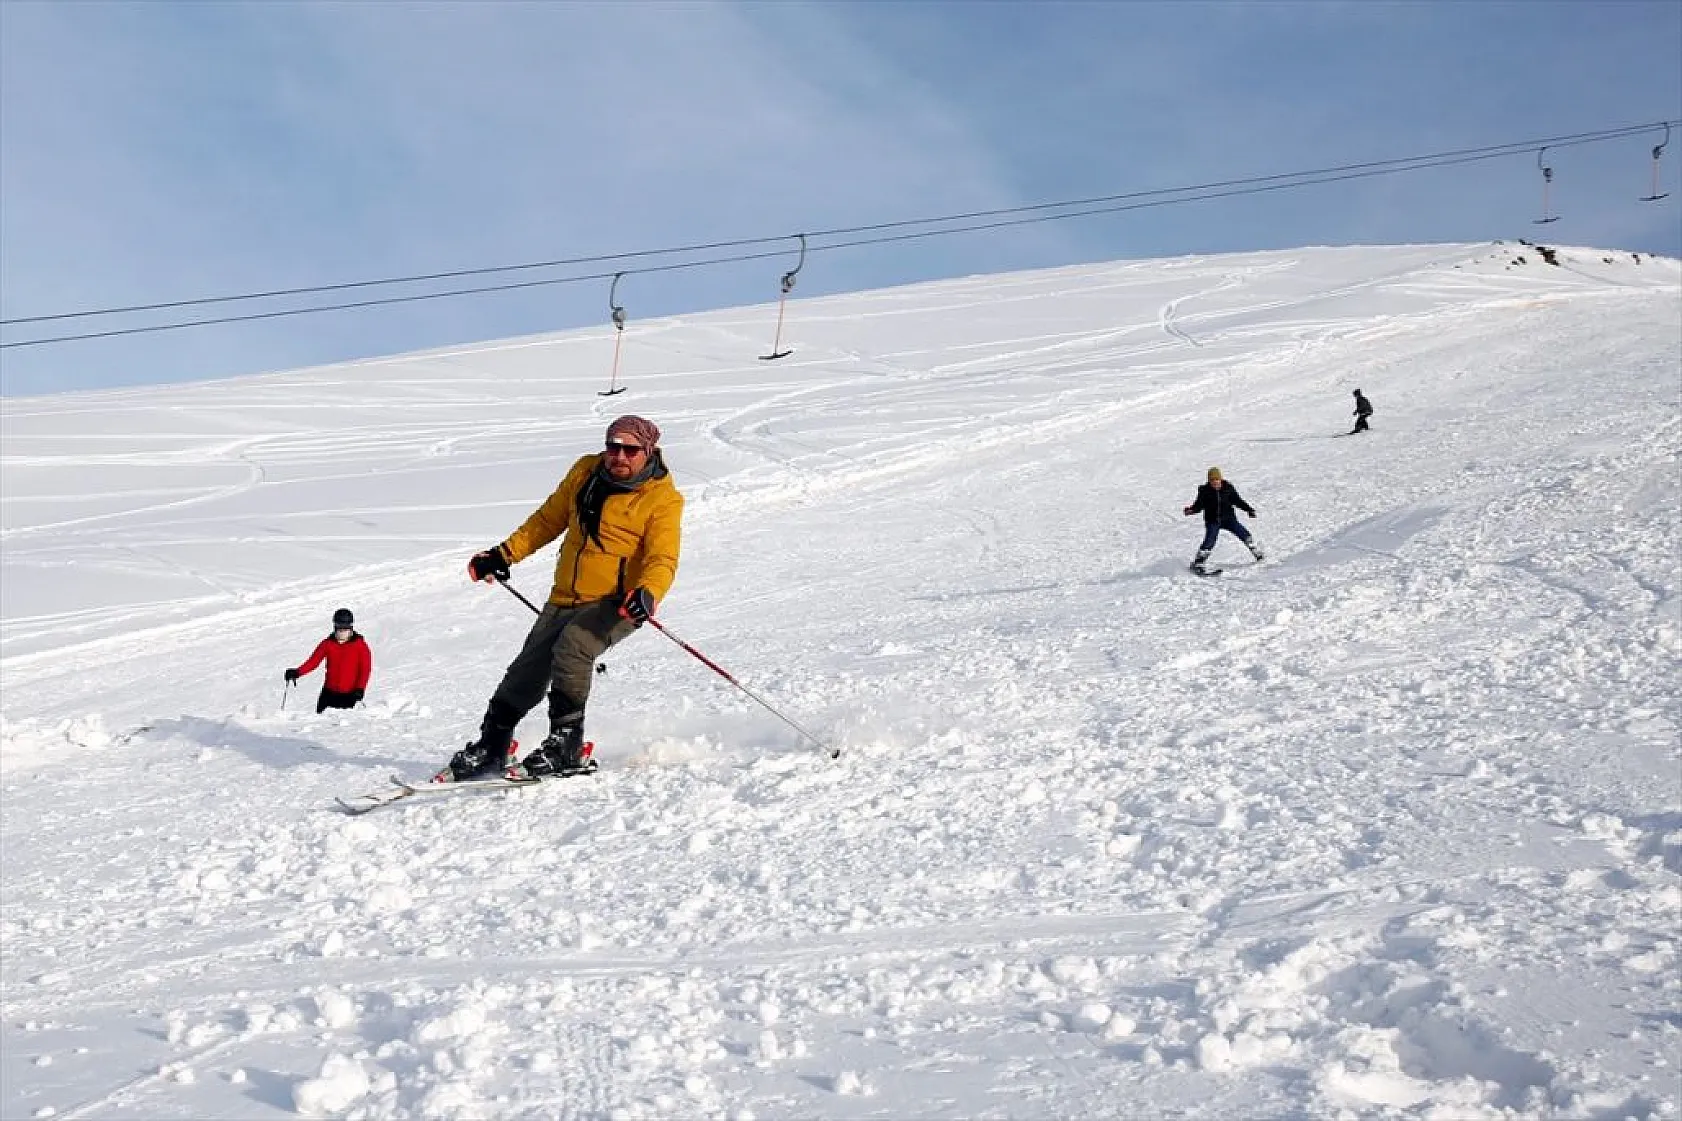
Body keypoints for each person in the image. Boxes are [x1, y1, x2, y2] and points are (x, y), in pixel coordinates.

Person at [444, 415, 684, 781]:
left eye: (629, 449)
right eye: (612, 446)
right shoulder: (585, 473)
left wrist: (648, 593)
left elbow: (662, 557)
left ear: (647, 451)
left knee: (572, 649)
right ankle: (493, 743)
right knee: (527, 668)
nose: (618, 456)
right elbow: (547, 521)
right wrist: (502, 554)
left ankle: (566, 745)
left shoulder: (662, 499)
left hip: (618, 602)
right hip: (565, 595)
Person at [286, 608, 372, 713]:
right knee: (318, 723)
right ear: (335, 627)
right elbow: (313, 662)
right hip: (328, 693)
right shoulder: (327, 644)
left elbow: (365, 670)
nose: (342, 632)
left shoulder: (360, 646)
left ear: (351, 628)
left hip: (349, 695)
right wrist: (297, 672)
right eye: (339, 629)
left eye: (345, 629)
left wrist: (360, 688)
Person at [1183, 467, 1263, 574]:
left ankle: (1257, 552)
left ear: (1220, 479)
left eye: (1217, 480)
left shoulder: (1228, 488)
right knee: (1210, 540)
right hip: (1213, 520)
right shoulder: (1204, 491)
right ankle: (1198, 563)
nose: (1215, 483)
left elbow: (1237, 501)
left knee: (1243, 533)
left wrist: (1249, 509)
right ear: (1209, 481)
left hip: (1229, 519)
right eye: (1212, 481)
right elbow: (1199, 505)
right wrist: (1191, 510)